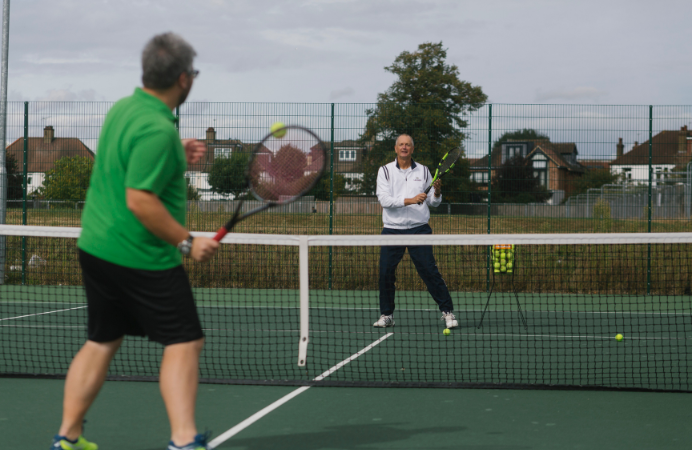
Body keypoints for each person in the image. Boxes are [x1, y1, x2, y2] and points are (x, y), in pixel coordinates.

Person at [50, 33, 220, 450]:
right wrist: (187, 242)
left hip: (96, 247)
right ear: (183, 79)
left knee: (101, 340)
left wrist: (176, 149)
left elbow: (133, 154)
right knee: (185, 340)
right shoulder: (157, 129)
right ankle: (184, 441)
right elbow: (140, 201)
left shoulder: (125, 110)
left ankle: (67, 438)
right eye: (193, 73)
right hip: (140, 256)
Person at [374, 134, 458, 329]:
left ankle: (447, 312)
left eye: (408, 145)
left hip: (419, 229)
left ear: (412, 149)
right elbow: (384, 201)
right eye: (401, 144)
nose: (404, 147)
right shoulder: (385, 171)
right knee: (385, 273)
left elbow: (433, 202)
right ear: (396, 148)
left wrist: (436, 192)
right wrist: (410, 200)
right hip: (392, 230)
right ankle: (387, 315)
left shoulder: (424, 171)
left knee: (429, 271)